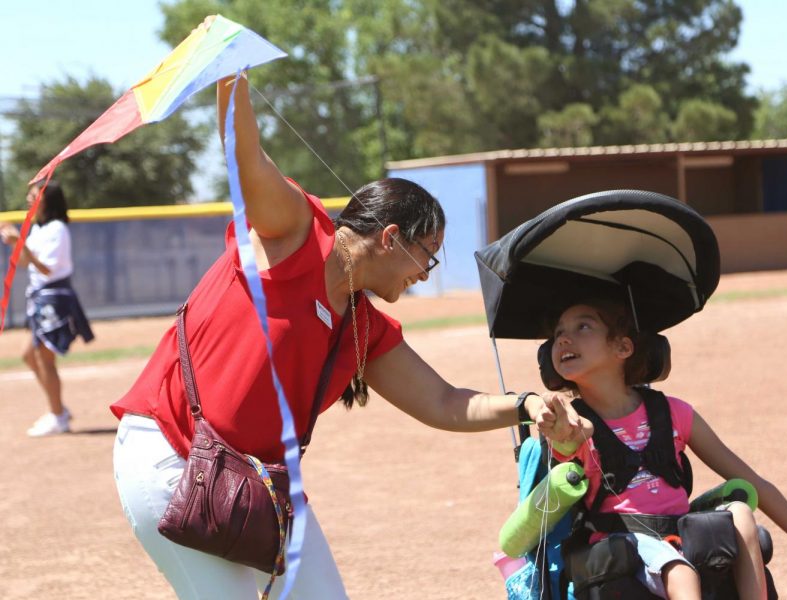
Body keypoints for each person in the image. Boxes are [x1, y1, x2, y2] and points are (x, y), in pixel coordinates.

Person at [109, 20, 548, 599]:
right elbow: (246, 161)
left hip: (257, 484)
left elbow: (444, 402)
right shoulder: (296, 231)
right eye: (428, 256)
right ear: (390, 237)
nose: (424, 275)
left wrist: (529, 404)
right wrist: (230, 75)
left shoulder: (363, 328)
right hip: (172, 457)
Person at [536, 296, 787, 600]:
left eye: (583, 327)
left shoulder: (674, 413)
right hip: (621, 546)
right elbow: (565, 442)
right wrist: (564, 433)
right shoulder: (571, 420)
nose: (563, 339)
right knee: (679, 572)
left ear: (623, 347)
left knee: (741, 512)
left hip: (680, 535)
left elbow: (753, 482)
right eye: (559, 333)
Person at [0, 181, 94, 437]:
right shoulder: (39, 229)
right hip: (41, 296)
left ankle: (58, 417)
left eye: (34, 195)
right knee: (29, 355)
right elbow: (24, 263)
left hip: (54, 297)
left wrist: (21, 242)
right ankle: (58, 408)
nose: (29, 199)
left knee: (44, 358)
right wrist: (14, 243)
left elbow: (47, 269)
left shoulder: (57, 229)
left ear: (46, 200)